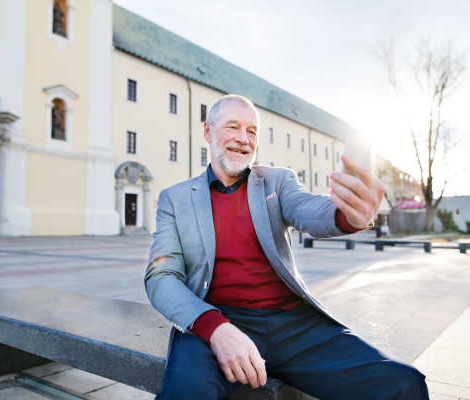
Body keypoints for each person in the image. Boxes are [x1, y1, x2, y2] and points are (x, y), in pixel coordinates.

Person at [145, 94, 429, 400]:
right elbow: (160, 276)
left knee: (405, 384)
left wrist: (348, 214)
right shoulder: (175, 199)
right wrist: (213, 327)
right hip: (218, 318)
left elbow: (308, 209)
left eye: (252, 131)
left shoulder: (277, 182)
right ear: (207, 132)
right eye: (232, 127)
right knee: (187, 394)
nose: (243, 139)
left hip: (296, 326)